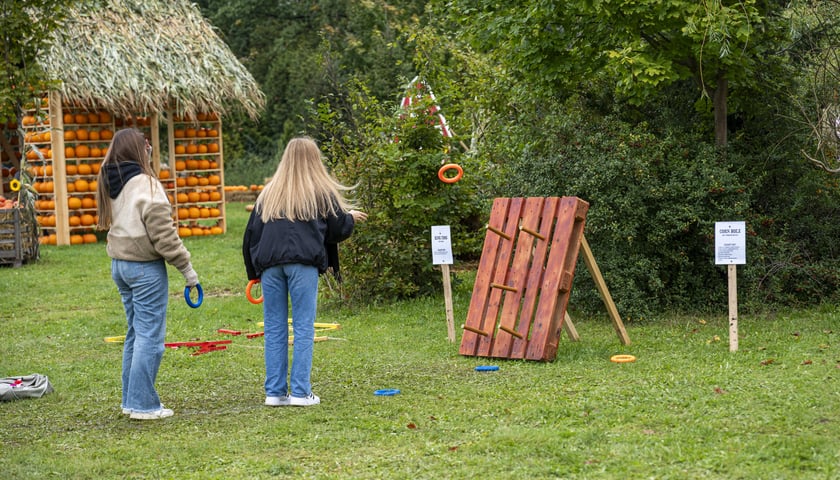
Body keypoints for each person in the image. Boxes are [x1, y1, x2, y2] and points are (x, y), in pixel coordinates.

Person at [243, 136, 366, 407]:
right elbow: (335, 229)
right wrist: (351, 218)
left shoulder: (269, 192)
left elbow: (251, 234)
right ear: (314, 160)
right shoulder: (319, 192)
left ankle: (274, 392)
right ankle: (300, 392)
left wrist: (254, 272)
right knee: (303, 326)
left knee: (274, 327)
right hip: (303, 264)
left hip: (270, 265)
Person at [96, 128, 199, 420]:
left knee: (135, 333)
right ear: (139, 150)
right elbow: (164, 236)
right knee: (150, 338)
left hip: (120, 266)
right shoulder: (147, 186)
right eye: (147, 146)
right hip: (144, 268)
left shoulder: (111, 181)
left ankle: (131, 400)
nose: (150, 149)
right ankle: (143, 405)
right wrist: (188, 271)